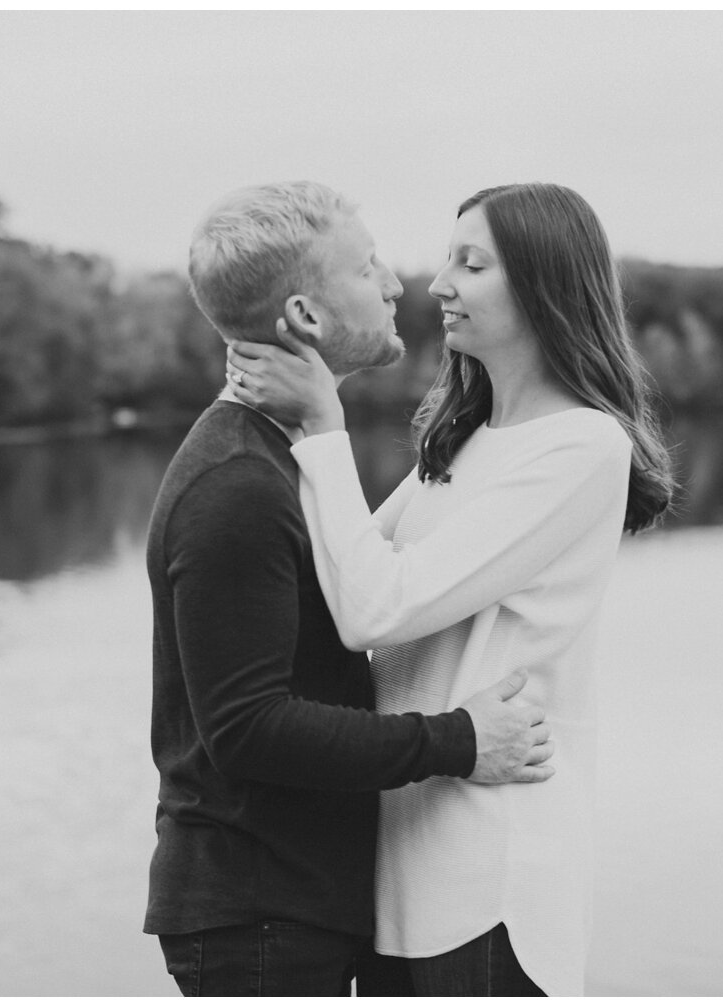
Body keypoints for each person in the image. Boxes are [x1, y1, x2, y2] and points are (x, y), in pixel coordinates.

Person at [224, 182, 675, 996]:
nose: (438, 284)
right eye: (446, 259)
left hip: (487, 883)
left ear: (543, 286)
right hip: (398, 877)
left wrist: (326, 427)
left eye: (472, 264)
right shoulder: (466, 439)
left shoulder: (580, 447)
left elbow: (373, 609)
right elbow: (343, 568)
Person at [143, 181, 559, 997]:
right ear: (306, 317)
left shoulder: (280, 458)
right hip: (258, 923)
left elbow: (388, 575)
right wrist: (460, 740)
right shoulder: (237, 485)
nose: (399, 284)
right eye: (369, 270)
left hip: (291, 909)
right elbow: (251, 730)